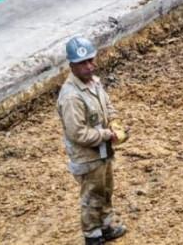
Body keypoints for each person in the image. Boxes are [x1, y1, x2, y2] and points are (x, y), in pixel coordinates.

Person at [57, 36, 128, 245]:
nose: (89, 66)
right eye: (82, 63)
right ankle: (92, 235)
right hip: (87, 157)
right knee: (91, 196)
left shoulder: (94, 83)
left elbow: (108, 106)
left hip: (102, 152)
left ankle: (106, 226)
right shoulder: (71, 97)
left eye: (90, 60)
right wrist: (106, 135)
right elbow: (77, 133)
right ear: (72, 66)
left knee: (105, 191)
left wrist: (114, 122)